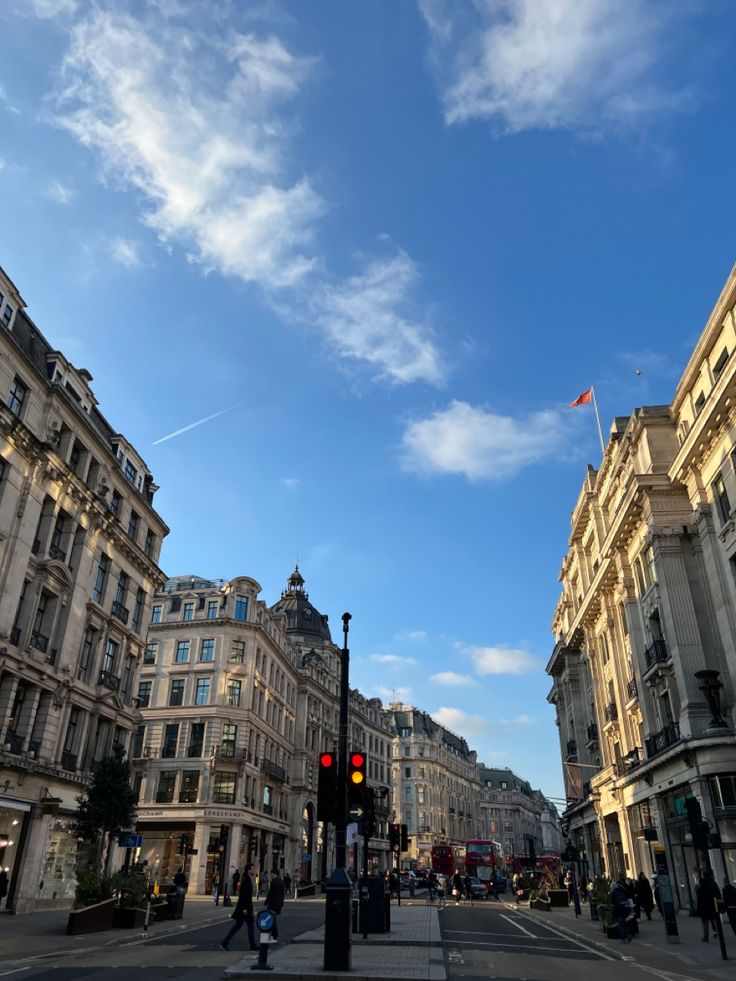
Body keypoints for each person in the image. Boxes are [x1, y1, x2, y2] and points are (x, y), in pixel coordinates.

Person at [220, 864, 258, 953]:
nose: (254, 870)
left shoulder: (247, 878)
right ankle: (252, 945)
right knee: (248, 926)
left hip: (246, 907)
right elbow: (243, 894)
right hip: (245, 908)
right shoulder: (245, 879)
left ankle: (225, 942)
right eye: (253, 869)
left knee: (239, 926)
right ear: (249, 870)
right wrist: (244, 908)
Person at [695, 871, 721, 942]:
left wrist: (699, 909)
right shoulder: (713, 884)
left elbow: (699, 898)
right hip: (713, 906)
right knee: (715, 920)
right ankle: (719, 935)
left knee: (705, 923)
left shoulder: (701, 885)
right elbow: (718, 894)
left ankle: (706, 937)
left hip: (704, 907)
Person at [611, 878, 635, 943]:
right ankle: (629, 934)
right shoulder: (623, 890)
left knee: (620, 925)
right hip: (625, 909)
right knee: (625, 923)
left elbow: (613, 902)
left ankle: (623, 938)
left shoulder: (613, 893)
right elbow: (628, 898)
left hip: (618, 910)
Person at [264, 869, 285, 941]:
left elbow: (270, 893)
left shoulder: (274, 882)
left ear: (274, 874)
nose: (271, 875)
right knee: (272, 919)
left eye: (271, 874)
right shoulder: (281, 882)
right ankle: (273, 936)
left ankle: (274, 936)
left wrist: (266, 901)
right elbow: (282, 894)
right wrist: (282, 903)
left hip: (273, 903)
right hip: (278, 903)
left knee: (271, 920)